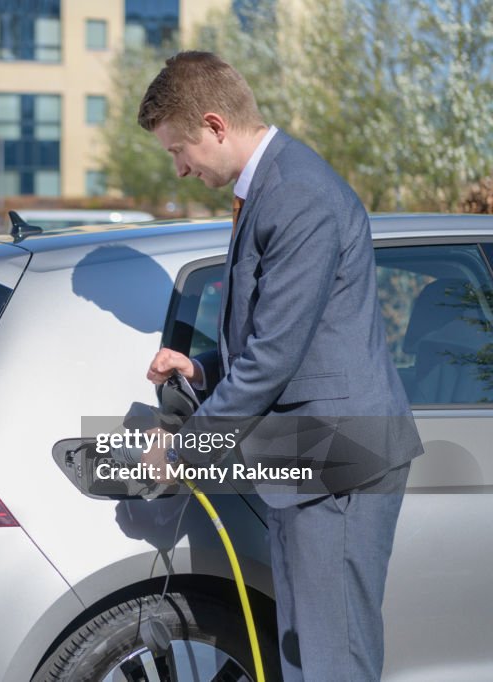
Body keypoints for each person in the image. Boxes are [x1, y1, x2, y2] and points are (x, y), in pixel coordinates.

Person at [136, 52, 423, 681]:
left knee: (330, 662)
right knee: (306, 655)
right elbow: (278, 339)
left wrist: (183, 451)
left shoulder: (295, 192)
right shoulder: (269, 186)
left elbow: (272, 359)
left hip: (339, 456)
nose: (180, 168)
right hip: (309, 457)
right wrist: (204, 368)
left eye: (179, 150)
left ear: (215, 125)